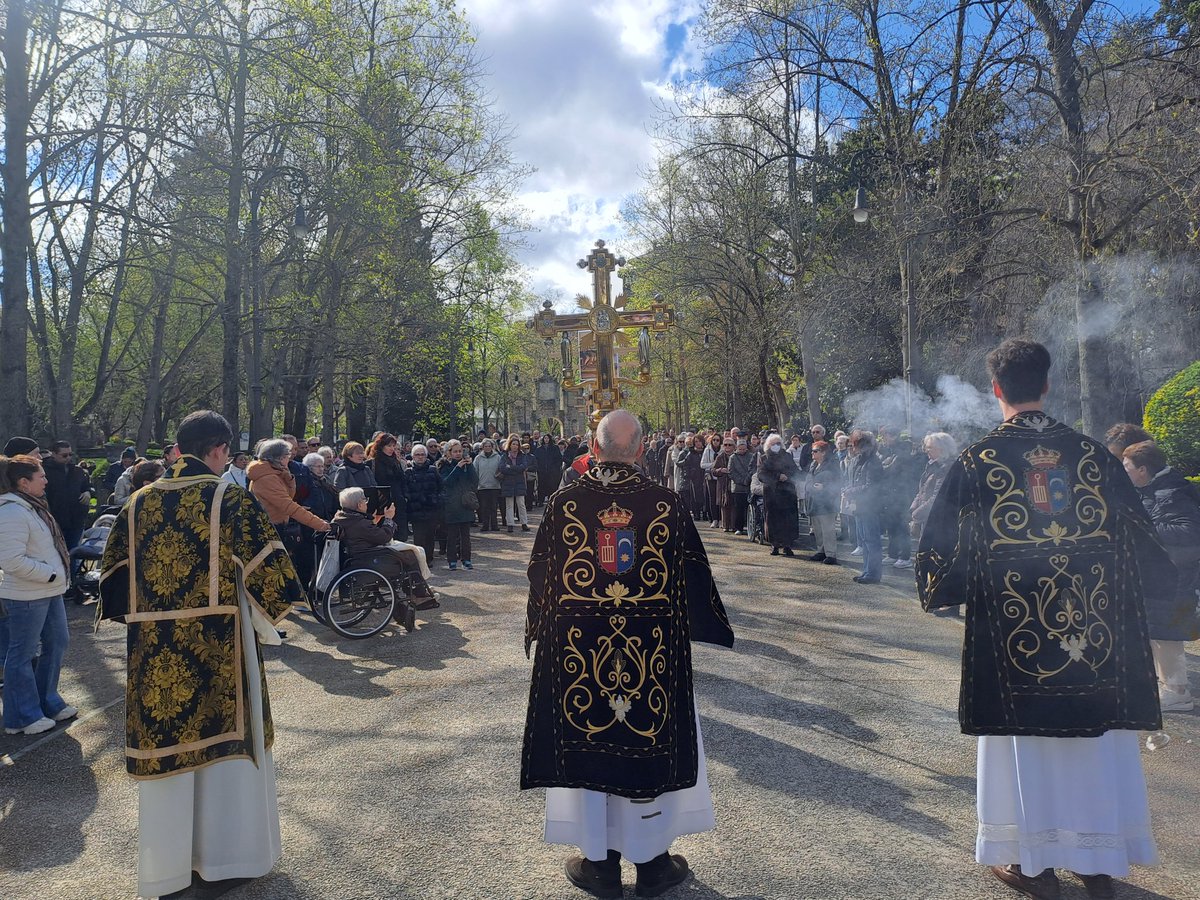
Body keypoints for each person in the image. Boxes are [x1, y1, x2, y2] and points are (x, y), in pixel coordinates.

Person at [916, 340, 1169, 900]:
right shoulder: (1092, 455)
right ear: (1047, 385)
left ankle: (1032, 866)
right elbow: (1142, 538)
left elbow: (939, 549)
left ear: (996, 389)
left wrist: (941, 589)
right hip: (1094, 636)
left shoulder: (979, 458)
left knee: (1021, 752)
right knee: (1095, 747)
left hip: (1014, 640)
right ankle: (1099, 864)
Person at [522, 410, 735, 899]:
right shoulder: (666, 504)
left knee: (588, 748)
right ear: (640, 450)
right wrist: (706, 628)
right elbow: (694, 579)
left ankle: (599, 866)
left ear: (592, 451)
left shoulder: (563, 503)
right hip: (650, 653)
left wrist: (539, 629)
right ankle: (654, 864)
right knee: (647, 752)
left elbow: (540, 577)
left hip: (579, 653)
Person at [98, 410, 305, 898]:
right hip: (220, 648)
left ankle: (168, 867)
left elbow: (110, 582)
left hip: (154, 655)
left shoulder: (138, 502)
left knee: (170, 752)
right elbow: (273, 580)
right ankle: (229, 858)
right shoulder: (229, 500)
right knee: (226, 752)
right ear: (218, 450)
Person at [1121, 440, 1200, 712]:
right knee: (1158, 633)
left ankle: (1179, 693)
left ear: (1143, 469)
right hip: (1161, 577)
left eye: (1127, 467)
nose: (1125, 472)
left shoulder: (1170, 492)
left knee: (1167, 636)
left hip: (1174, 579)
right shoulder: (1155, 488)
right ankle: (1169, 687)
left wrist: (1143, 525)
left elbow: (1188, 531)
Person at [0, 454, 76, 735]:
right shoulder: (11, 512)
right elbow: (11, 560)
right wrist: (50, 573)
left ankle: (47, 701)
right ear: (23, 482)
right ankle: (21, 717)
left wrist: (54, 577)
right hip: (26, 594)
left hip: (48, 590)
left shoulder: (32, 507)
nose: (46, 479)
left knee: (58, 642)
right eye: (40, 476)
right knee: (21, 653)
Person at [332, 488, 438, 609]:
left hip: (358, 556)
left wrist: (372, 520)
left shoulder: (343, 518)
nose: (367, 503)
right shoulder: (359, 523)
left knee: (406, 552)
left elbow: (369, 534)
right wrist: (388, 519)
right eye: (365, 500)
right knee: (410, 555)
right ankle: (418, 594)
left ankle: (415, 591)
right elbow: (384, 537)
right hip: (369, 560)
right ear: (359, 505)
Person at [247, 439, 331, 591]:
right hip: (270, 530)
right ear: (278, 458)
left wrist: (288, 477)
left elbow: (289, 498)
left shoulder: (274, 474)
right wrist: (320, 524)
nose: (290, 457)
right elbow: (289, 506)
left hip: (277, 528)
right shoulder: (268, 478)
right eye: (287, 455)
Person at [845, 430, 884, 584]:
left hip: (870, 506)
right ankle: (867, 570)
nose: (851, 448)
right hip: (860, 505)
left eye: (853, 445)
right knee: (864, 540)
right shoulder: (860, 460)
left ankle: (873, 573)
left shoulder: (873, 462)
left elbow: (871, 487)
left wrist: (850, 491)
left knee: (871, 540)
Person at [42, 441, 91, 552]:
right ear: (53, 454)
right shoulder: (44, 471)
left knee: (73, 553)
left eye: (70, 454)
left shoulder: (77, 470)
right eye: (64, 455)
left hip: (76, 521)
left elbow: (86, 486)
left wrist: (87, 492)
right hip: (56, 521)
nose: (68, 458)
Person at [909, 432, 957, 545]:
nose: (926, 450)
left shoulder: (946, 468)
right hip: (927, 517)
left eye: (930, 447)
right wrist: (913, 508)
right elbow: (922, 490)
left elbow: (937, 498)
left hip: (939, 521)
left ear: (942, 449)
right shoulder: (933, 465)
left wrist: (916, 514)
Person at [758, 433, 800, 556]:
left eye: (777, 443)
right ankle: (774, 545)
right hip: (772, 494)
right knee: (773, 519)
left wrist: (787, 476)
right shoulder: (764, 458)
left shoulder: (787, 456)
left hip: (787, 493)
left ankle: (787, 545)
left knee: (788, 519)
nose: (775, 446)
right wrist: (777, 477)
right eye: (773, 444)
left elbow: (794, 471)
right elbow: (761, 474)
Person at [441, 439, 478, 571]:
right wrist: (457, 468)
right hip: (451, 504)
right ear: (449, 453)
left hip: (465, 503)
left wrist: (471, 466)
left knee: (465, 535)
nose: (458, 454)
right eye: (455, 451)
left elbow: (475, 480)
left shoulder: (467, 465)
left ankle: (466, 559)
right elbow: (447, 482)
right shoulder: (444, 465)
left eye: (460, 451)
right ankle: (452, 560)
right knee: (452, 535)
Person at [406, 444, 443, 565]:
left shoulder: (433, 470)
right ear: (413, 456)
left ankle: (429, 559)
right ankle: (419, 560)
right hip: (416, 510)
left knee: (430, 536)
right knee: (419, 537)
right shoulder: (408, 472)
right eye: (417, 454)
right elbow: (405, 490)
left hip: (431, 509)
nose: (420, 457)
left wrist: (437, 500)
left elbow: (441, 487)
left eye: (422, 454)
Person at [368, 433, 409, 542]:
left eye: (393, 447)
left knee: (400, 536)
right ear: (381, 446)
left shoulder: (396, 462)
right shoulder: (372, 463)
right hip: (381, 504)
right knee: (384, 535)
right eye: (389, 446)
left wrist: (405, 496)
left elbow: (402, 481)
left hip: (398, 502)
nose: (392, 449)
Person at [807, 441, 842, 565]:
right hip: (815, 501)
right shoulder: (813, 464)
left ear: (823, 452)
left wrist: (824, 487)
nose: (813, 453)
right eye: (813, 451)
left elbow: (838, 482)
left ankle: (831, 554)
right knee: (818, 529)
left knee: (828, 530)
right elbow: (809, 479)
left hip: (827, 502)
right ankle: (821, 550)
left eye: (815, 451)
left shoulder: (832, 465)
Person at [498, 434, 530, 533]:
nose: (515, 446)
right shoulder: (504, 456)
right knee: (509, 505)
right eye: (513, 444)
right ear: (510, 445)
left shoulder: (522, 456)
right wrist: (516, 469)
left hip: (519, 482)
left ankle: (524, 523)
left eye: (516, 444)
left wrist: (510, 468)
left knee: (521, 504)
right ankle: (510, 524)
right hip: (508, 482)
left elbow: (523, 467)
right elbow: (502, 468)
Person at [473, 439, 503, 532]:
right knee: (484, 507)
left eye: (489, 446)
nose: (487, 448)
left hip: (494, 486)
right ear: (483, 447)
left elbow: (501, 469)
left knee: (494, 507)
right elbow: (475, 471)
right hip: (482, 486)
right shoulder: (478, 458)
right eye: (486, 446)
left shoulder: (498, 457)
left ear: (492, 447)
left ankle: (494, 525)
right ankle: (485, 525)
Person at [534, 434, 563, 507]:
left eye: (547, 438)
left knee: (552, 486)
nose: (546, 440)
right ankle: (541, 500)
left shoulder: (554, 448)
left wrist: (555, 468)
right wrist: (539, 468)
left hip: (552, 471)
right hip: (542, 471)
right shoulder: (539, 449)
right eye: (545, 438)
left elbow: (559, 459)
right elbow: (536, 459)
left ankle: (551, 500)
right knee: (541, 486)